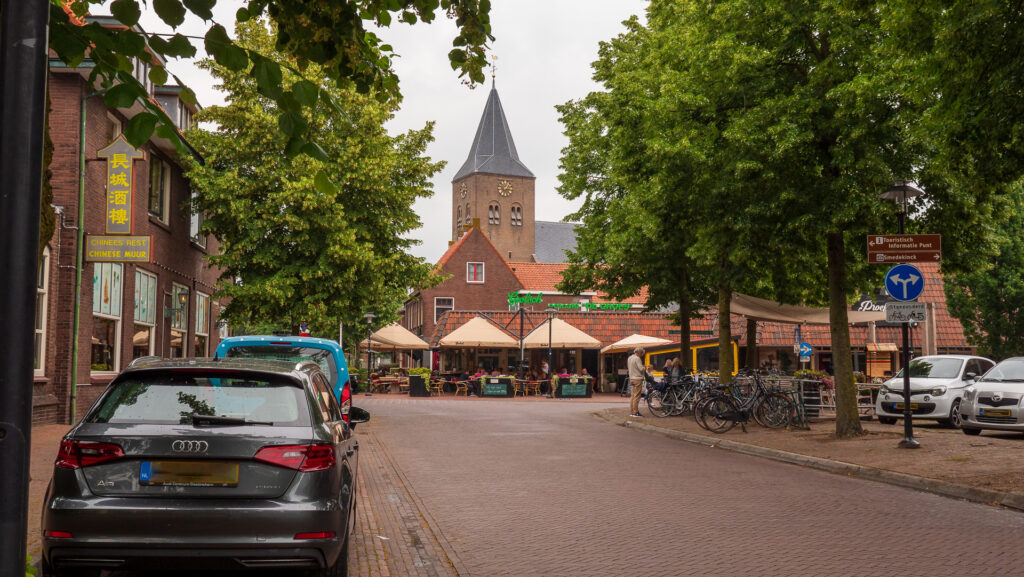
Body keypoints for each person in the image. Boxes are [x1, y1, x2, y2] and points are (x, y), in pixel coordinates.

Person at [627, 347, 645, 418]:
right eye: (641, 354)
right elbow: (641, 369)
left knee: (632, 396)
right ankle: (636, 412)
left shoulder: (629, 358)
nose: (641, 355)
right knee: (637, 396)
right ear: (639, 352)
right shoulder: (637, 358)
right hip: (637, 379)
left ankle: (632, 411)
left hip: (631, 378)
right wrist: (644, 368)